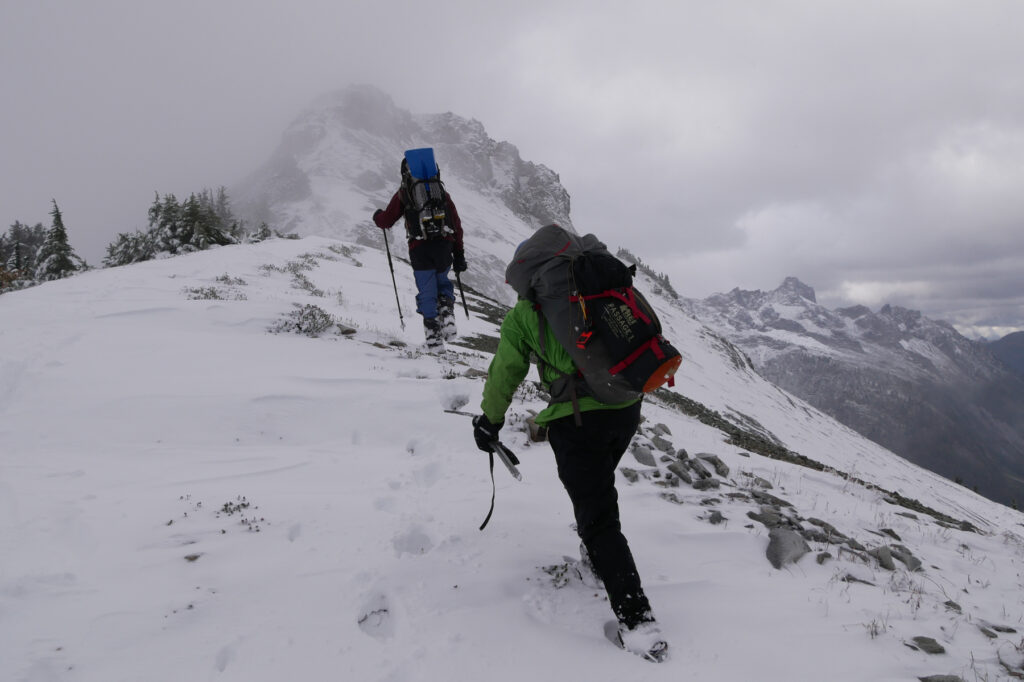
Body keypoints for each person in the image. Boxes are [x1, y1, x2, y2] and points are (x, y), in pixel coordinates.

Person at [471, 250, 669, 662]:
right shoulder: (596, 292)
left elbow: (506, 371)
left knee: (598, 516)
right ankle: (597, 557)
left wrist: (489, 420)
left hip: (577, 420)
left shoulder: (526, 313)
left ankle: (638, 622)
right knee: (596, 494)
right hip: (626, 408)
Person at [373, 157, 466, 349]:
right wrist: (459, 254)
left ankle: (433, 339)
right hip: (444, 246)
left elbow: (386, 221)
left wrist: (377, 216)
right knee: (443, 282)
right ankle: (447, 313)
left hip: (420, 249)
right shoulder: (442, 193)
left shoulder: (405, 193)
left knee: (427, 290)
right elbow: (456, 225)